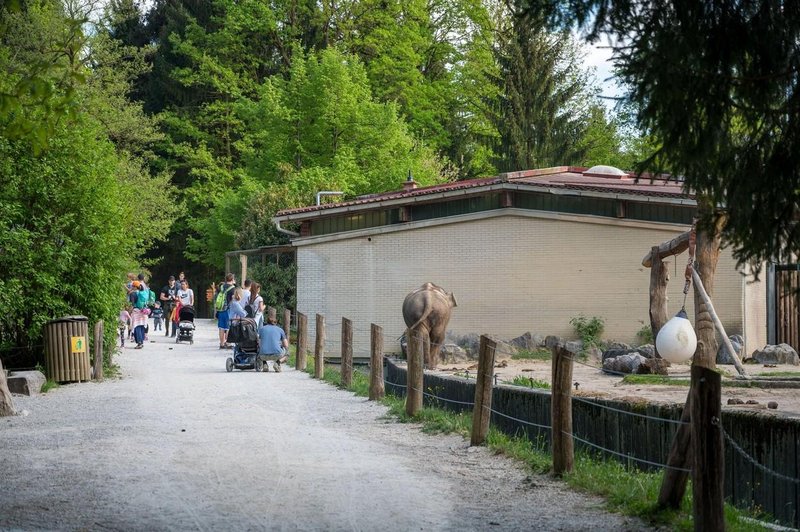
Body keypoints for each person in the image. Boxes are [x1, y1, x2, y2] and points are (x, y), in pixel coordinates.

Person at [217, 273, 236, 349]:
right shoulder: (232, 288)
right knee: (228, 327)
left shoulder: (221, 287)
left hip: (220, 309)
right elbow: (233, 299)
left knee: (221, 327)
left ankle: (221, 344)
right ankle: (228, 343)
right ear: (232, 279)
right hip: (228, 310)